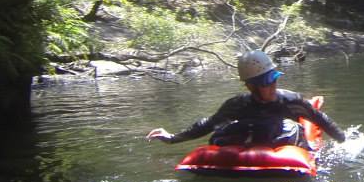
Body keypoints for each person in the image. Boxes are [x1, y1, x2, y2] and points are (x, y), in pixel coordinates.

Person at [146, 49, 345, 149]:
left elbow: (321, 119)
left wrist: (344, 142)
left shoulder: (291, 101)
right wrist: (172, 138)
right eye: (266, 82)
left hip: (284, 141)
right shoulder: (238, 105)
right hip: (254, 139)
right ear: (250, 86)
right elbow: (208, 124)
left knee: (293, 128)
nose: (273, 85)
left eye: (274, 78)